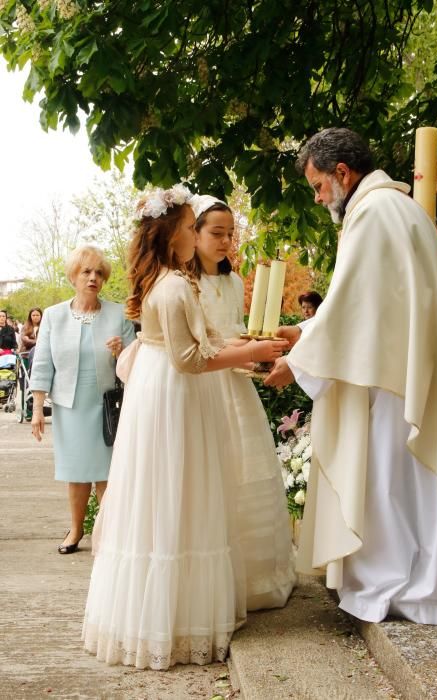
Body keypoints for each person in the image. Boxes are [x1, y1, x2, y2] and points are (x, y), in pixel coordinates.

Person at [265, 127, 437, 625]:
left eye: (317, 186)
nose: (317, 198)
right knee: (406, 480)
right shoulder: (397, 207)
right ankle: (430, 579)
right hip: (405, 364)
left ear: (342, 172)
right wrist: (304, 330)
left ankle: (396, 585)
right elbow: (366, 301)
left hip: (395, 377)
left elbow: (358, 307)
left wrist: (298, 361)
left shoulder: (375, 212)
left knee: (387, 479)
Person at [82, 186, 288, 670]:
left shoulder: (173, 280)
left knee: (174, 494)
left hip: (167, 389)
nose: (200, 236)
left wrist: (245, 346)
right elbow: (191, 359)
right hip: (174, 394)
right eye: (194, 228)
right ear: (176, 234)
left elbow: (206, 339)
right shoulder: (173, 286)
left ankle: (170, 612)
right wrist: (253, 353)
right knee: (179, 493)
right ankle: (172, 619)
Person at [190, 193, 295, 610]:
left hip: (236, 387)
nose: (225, 241)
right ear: (193, 233)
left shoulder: (234, 282)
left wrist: (257, 355)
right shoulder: (183, 283)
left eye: (231, 234)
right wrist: (239, 348)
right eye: (216, 233)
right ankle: (211, 579)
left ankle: (255, 577)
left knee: (247, 469)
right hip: (202, 387)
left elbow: (239, 329)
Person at [30, 245, 135, 554]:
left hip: (108, 405)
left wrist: (121, 352)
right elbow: (43, 364)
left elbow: (136, 364)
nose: (93, 278)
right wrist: (38, 410)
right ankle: (76, 531)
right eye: (86, 272)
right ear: (73, 276)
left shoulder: (119, 313)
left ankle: (108, 536)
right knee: (76, 474)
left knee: (106, 473)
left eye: (99, 273)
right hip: (69, 407)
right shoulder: (53, 316)